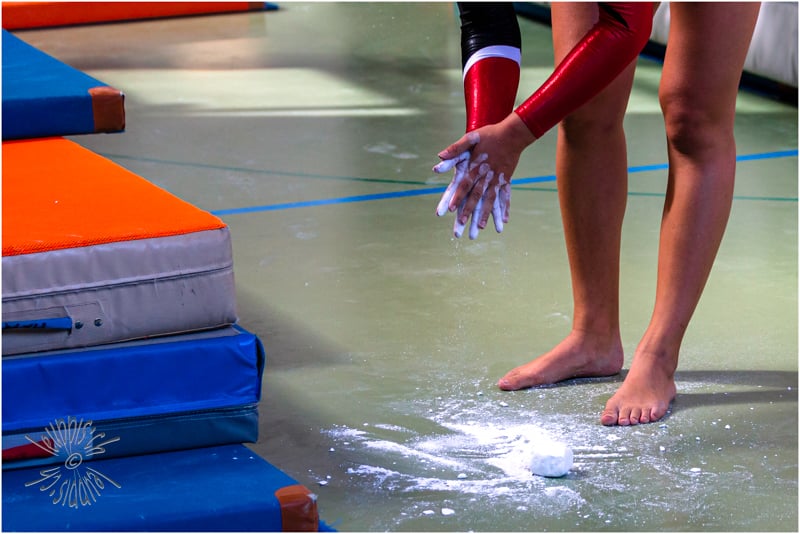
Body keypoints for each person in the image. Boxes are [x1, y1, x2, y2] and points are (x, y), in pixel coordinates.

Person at [434, 2, 761, 426]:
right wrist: (483, 139)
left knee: (692, 115)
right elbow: (485, 19)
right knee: (584, 106)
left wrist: (514, 134)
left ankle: (659, 357)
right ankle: (593, 336)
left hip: (627, 17)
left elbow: (626, 25)